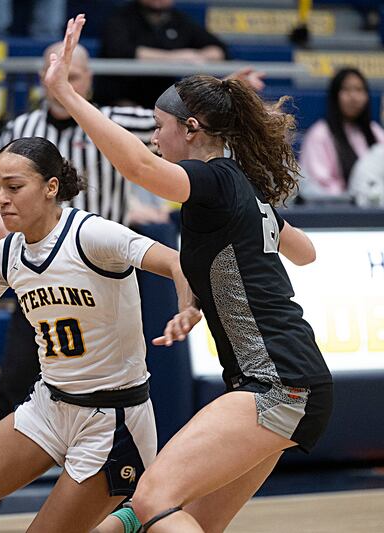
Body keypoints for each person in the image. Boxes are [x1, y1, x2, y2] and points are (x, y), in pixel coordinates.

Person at [48, 15, 333, 533]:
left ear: (191, 128)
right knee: (163, 517)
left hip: (277, 382)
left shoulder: (215, 179)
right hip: (289, 378)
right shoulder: (240, 187)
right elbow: (305, 252)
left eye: (159, 127)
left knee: (154, 497)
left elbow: (137, 169)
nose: (154, 138)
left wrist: (66, 94)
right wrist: (200, 301)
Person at [0, 136, 195, 533]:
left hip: (113, 421)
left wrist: (187, 308)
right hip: (49, 405)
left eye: (13, 187)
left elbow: (178, 263)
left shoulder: (93, 235)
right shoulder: (6, 254)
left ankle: (131, 517)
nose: (1, 199)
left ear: (50, 187)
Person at [0, 40, 169, 531]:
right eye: (54, 74)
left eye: (73, 76)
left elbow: (180, 132)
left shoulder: (117, 120)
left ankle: (133, 499)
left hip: (103, 276)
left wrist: (230, 97)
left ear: (88, 82)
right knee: (12, 384)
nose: (63, 84)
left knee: (116, 386)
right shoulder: (21, 130)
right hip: (40, 275)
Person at [95, 0, 228, 109]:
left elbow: (219, 50)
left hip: (164, 105)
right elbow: (119, 49)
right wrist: (174, 57)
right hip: (120, 101)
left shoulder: (180, 20)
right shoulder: (120, 17)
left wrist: (197, 56)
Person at [298, 67, 384, 199]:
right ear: (335, 95)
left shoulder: (375, 131)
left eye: (359, 90)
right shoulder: (320, 134)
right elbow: (316, 186)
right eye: (347, 90)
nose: (354, 97)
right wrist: (350, 198)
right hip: (335, 210)